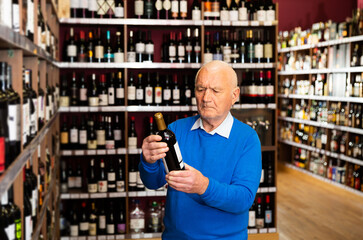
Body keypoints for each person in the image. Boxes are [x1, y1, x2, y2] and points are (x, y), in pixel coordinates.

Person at [139, 60, 262, 240]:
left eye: (215, 90)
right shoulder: (176, 130)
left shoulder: (247, 139)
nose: (205, 98)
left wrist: (203, 186)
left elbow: (242, 199)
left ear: (234, 95)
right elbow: (153, 182)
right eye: (200, 89)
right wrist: (148, 162)